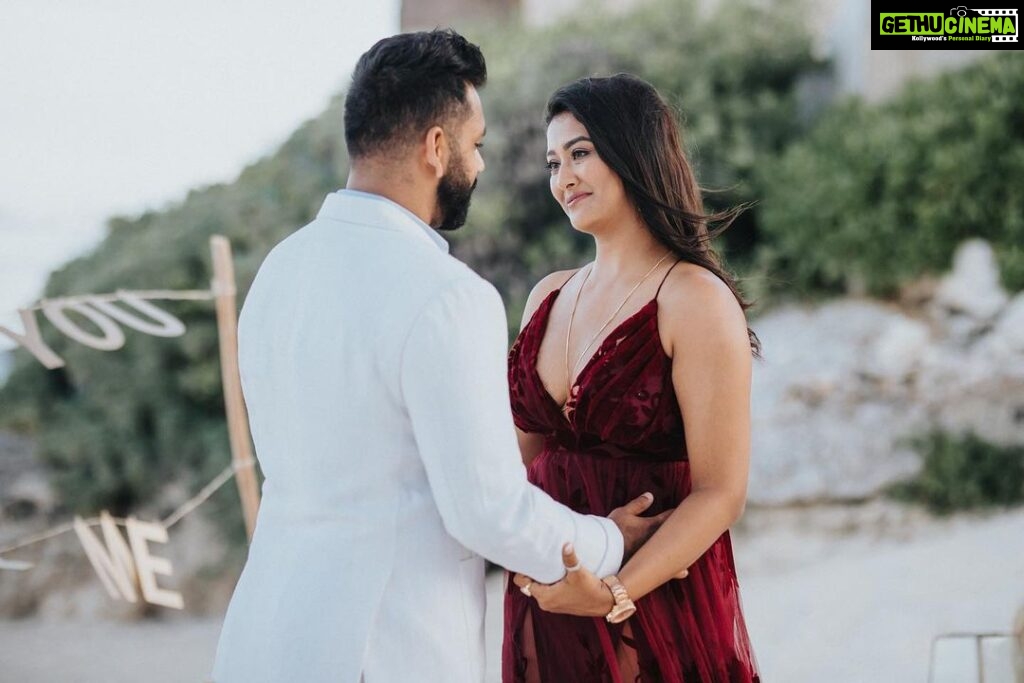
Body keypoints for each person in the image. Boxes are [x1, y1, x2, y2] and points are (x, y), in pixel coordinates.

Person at [210, 31, 665, 683]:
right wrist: (611, 540)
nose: (477, 166)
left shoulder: (279, 271)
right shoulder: (447, 296)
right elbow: (488, 509)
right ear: (435, 147)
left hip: (261, 639)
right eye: (475, 145)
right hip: (380, 651)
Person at [503, 74, 761, 682]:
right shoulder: (547, 296)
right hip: (552, 588)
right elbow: (515, 469)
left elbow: (721, 492)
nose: (563, 179)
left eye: (581, 154)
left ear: (633, 153)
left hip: (652, 596)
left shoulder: (693, 298)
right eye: (552, 162)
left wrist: (614, 590)